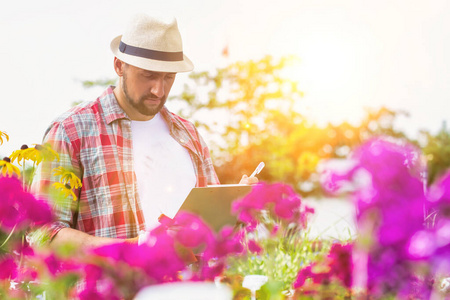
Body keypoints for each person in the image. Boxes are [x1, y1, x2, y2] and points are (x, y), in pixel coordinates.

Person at [32, 14, 257, 249]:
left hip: (189, 285)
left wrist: (235, 208)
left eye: (168, 78)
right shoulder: (70, 131)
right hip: (113, 285)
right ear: (119, 66)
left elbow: (213, 236)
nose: (158, 90)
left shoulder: (189, 135)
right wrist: (136, 248)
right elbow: (43, 235)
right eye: (148, 75)